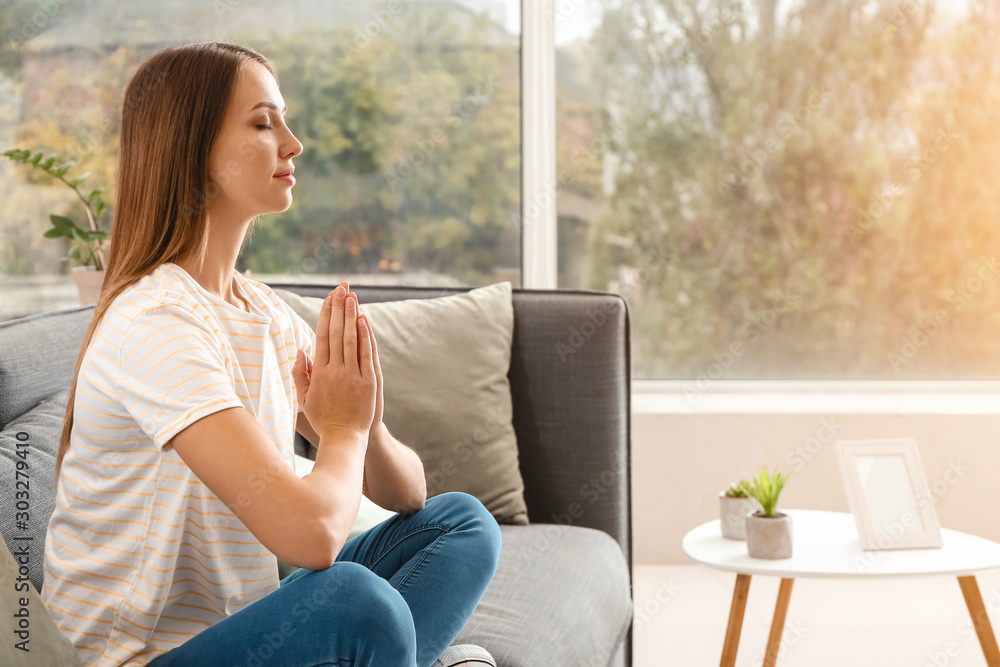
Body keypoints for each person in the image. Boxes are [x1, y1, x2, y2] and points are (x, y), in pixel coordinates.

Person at [41, 41, 501, 667]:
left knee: (461, 525)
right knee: (354, 601)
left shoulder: (258, 311)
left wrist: (365, 419)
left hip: (241, 629)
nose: (293, 143)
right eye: (263, 122)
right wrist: (338, 431)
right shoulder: (156, 324)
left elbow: (409, 494)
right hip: (141, 659)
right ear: (192, 149)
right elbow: (309, 537)